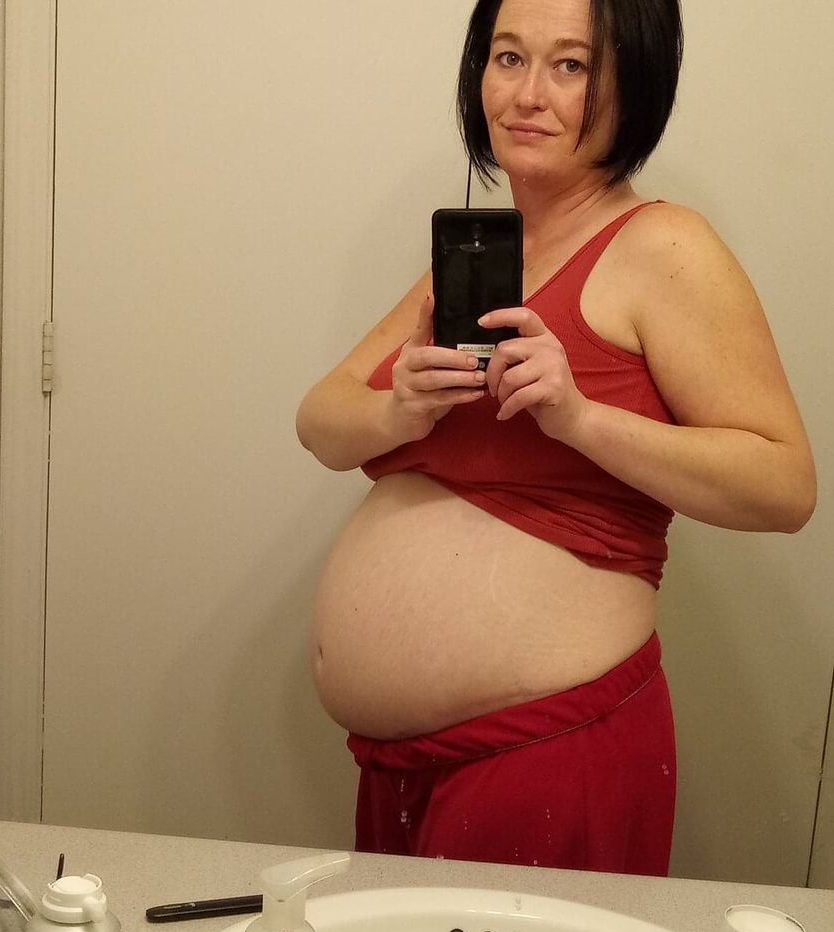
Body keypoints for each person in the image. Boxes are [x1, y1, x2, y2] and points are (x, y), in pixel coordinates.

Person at [295, 0, 816, 876]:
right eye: (507, 58)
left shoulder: (664, 245)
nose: (527, 95)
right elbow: (320, 420)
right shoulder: (478, 261)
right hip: (401, 768)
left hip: (546, 750)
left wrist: (578, 417)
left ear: (631, 84)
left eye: (569, 66)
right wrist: (399, 411)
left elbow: (784, 486)